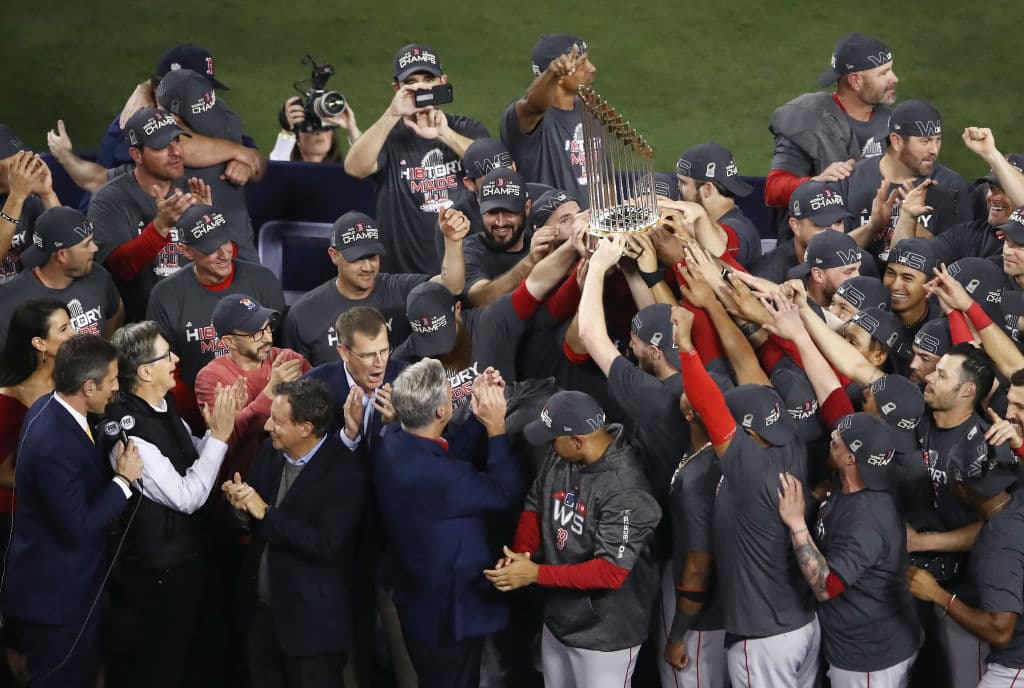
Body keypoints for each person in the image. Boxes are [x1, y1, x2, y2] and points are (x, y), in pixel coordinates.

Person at [670, 306, 819, 687]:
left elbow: (709, 406)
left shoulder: (748, 465)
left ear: (747, 433)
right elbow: (753, 382)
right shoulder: (794, 446)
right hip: (803, 626)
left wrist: (686, 347)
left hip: (764, 637)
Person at [484, 390, 662, 688]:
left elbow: (610, 571)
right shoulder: (562, 455)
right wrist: (523, 553)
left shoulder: (625, 489)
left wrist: (535, 574)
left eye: (554, 437)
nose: (549, 444)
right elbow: (535, 501)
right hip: (559, 619)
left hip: (606, 635)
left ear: (578, 440)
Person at [101, 321, 243, 688]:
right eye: (168, 355)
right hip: (160, 569)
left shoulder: (163, 405)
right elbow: (186, 496)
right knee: (165, 664)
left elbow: (191, 454)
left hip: (189, 555)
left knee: (199, 655)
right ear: (145, 370)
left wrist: (215, 432)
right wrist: (221, 437)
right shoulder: (130, 433)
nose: (177, 359)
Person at [0, 334, 142, 687]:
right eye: (111, 381)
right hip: (57, 602)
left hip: (66, 590)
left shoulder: (50, 405)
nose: (115, 389)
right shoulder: (54, 441)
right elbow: (77, 526)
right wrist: (123, 481)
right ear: (88, 386)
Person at [374, 361, 521, 688]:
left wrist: (473, 411)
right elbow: (505, 491)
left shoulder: (394, 441)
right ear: (442, 411)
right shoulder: (442, 478)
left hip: (418, 603)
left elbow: (449, 451)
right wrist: (495, 425)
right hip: (447, 617)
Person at [222, 378, 366, 688]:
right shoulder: (270, 453)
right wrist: (239, 509)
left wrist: (266, 514)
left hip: (310, 629)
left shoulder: (345, 472)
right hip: (260, 616)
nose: (268, 425)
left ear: (306, 427)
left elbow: (326, 544)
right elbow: (250, 520)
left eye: (278, 421)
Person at [777, 413, 919, 687]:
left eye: (839, 439)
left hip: (870, 659)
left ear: (851, 459)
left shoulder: (866, 520)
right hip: (865, 643)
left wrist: (796, 523)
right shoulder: (857, 482)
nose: (833, 435)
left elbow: (826, 586)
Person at [345, 43, 487, 274]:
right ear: (396, 89)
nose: (421, 87)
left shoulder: (467, 128)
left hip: (465, 270)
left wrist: (445, 134)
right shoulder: (386, 137)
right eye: (411, 82)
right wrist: (392, 114)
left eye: (429, 79)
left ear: (443, 82)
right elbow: (355, 168)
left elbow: (493, 167)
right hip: (403, 277)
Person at [146, 204, 285, 424]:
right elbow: (164, 367)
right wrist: (206, 415)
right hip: (199, 418)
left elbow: (282, 351)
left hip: (269, 414)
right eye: (211, 249)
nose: (224, 254)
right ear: (186, 251)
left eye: (225, 242)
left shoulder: (263, 281)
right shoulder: (166, 295)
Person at [905, 441, 1024, 688]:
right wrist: (922, 542)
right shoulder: (1015, 501)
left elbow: (1000, 631)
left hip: (1015, 665)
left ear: (963, 489)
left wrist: (938, 595)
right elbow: (988, 527)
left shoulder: (998, 547)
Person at [281, 210, 466, 367]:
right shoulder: (304, 314)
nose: (368, 267)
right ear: (334, 255)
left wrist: (453, 241)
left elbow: (451, 286)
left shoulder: (400, 289)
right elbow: (297, 386)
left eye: (373, 257)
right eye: (357, 258)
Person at [0, 300, 74, 683]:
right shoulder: (7, 399)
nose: (74, 333)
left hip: (65, 521)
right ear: (39, 343)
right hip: (16, 525)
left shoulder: (75, 383)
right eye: (63, 329)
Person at [88, 107, 211, 321]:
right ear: (137, 155)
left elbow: (220, 264)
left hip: (191, 320)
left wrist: (207, 229)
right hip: (138, 327)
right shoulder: (109, 200)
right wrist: (160, 228)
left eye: (177, 141)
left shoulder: (193, 190)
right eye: (162, 146)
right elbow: (119, 270)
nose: (176, 152)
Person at [765, 33, 897, 210]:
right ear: (855, 81)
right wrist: (816, 183)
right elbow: (773, 191)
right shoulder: (808, 119)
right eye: (883, 73)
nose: (894, 78)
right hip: (822, 232)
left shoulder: (892, 122)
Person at [196, 294, 311, 479]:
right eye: (256, 333)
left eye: (267, 328)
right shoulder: (211, 378)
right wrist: (272, 390)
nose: (267, 338)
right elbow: (225, 441)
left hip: (296, 473)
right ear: (229, 342)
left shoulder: (289, 359)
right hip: (244, 479)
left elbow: (321, 411)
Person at [156, 68, 264, 262]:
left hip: (239, 257)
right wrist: (240, 152)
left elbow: (258, 165)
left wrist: (248, 161)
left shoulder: (226, 117)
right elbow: (170, 142)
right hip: (184, 261)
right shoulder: (148, 135)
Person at [840, 99, 970, 260]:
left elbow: (955, 258)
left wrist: (912, 219)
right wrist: (872, 227)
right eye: (926, 141)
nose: (934, 150)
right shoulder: (853, 179)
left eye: (938, 140)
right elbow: (834, 254)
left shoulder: (949, 187)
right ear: (897, 141)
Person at [0, 207, 124, 348]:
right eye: (86, 244)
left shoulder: (98, 275)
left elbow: (115, 312)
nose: (94, 248)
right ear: (62, 255)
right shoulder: (9, 302)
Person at [501, 34, 594, 205]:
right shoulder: (526, 117)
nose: (592, 68)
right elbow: (532, 103)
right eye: (582, 64)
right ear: (561, 75)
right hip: (550, 229)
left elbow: (603, 179)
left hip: (593, 229)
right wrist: (552, 73)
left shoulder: (589, 111)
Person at [464, 167, 564, 307]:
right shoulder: (472, 248)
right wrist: (530, 262)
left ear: (527, 208)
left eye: (509, 212)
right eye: (492, 212)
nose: (500, 222)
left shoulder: (542, 241)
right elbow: (478, 298)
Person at [675, 142, 762, 267]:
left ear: (707, 189)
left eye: (683, 183)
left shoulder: (741, 229)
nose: (678, 187)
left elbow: (719, 238)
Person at [752, 180, 853, 283]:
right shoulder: (767, 276)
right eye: (822, 223)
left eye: (838, 222)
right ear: (796, 226)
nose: (834, 232)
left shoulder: (856, 263)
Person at [0, 124, 60, 283]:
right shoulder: (19, 195)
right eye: (16, 164)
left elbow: (67, 239)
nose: (26, 168)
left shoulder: (29, 198)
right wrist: (16, 197)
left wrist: (47, 194)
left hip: (22, 291)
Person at [269, 95, 361, 163]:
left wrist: (352, 129)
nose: (318, 132)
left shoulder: (347, 173)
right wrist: (287, 132)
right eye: (310, 126)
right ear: (297, 139)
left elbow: (367, 166)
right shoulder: (286, 172)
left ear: (332, 136)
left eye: (325, 127)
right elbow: (277, 170)